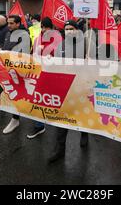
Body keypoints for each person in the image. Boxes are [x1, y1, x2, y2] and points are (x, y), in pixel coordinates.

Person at [48, 20, 89, 163]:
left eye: (72, 28)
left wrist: (91, 60)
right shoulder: (61, 45)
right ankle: (60, 149)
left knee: (82, 114)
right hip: (65, 86)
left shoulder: (86, 44)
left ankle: (84, 133)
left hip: (82, 86)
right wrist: (49, 60)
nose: (69, 31)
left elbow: (98, 63)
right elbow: (57, 64)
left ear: (77, 30)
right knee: (62, 118)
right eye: (66, 29)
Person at [27, 17, 63, 139]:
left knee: (52, 98)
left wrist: (50, 56)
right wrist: (35, 53)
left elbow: (61, 55)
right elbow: (32, 54)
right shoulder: (38, 38)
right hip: (39, 72)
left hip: (53, 73)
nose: (44, 30)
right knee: (38, 97)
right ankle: (39, 125)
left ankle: (56, 119)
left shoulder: (57, 38)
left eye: (46, 28)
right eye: (42, 28)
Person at [1, 15, 31, 134]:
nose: (9, 25)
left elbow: (25, 54)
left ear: (18, 24)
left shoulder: (24, 35)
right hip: (8, 68)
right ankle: (15, 118)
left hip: (18, 70)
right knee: (12, 93)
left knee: (19, 93)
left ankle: (16, 118)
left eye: (12, 23)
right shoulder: (9, 33)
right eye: (8, 23)